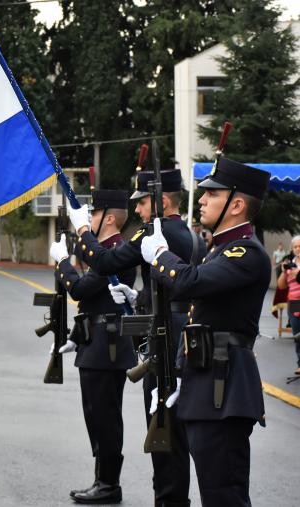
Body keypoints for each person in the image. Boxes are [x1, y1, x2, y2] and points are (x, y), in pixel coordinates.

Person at [140, 157, 271, 506]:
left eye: (212, 194)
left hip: (223, 389)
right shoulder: (219, 249)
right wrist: (180, 373)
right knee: (214, 491)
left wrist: (160, 256)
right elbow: (202, 319)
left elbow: (188, 284)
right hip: (206, 383)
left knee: (223, 496)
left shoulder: (246, 253)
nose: (201, 199)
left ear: (237, 204)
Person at [67, 169, 201, 507]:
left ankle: (168, 499)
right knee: (169, 430)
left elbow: (103, 261)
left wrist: (82, 229)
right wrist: (136, 299)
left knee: (163, 428)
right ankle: (169, 497)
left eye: (142, 202)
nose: (139, 211)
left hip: (164, 338)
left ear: (162, 201)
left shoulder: (155, 232)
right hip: (176, 332)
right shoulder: (187, 234)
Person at [49, 190, 137, 504]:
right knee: (96, 416)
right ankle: (102, 480)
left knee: (105, 418)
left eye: (94, 215)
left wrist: (62, 263)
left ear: (109, 218)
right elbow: (89, 300)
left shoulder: (115, 252)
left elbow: (80, 288)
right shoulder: (106, 252)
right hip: (96, 343)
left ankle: (109, 484)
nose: (88, 220)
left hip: (107, 347)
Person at [276, 235, 300, 375]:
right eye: (295, 247)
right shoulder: (290, 264)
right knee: (297, 334)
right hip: (294, 302)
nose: (298, 249)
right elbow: (281, 286)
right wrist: (284, 272)